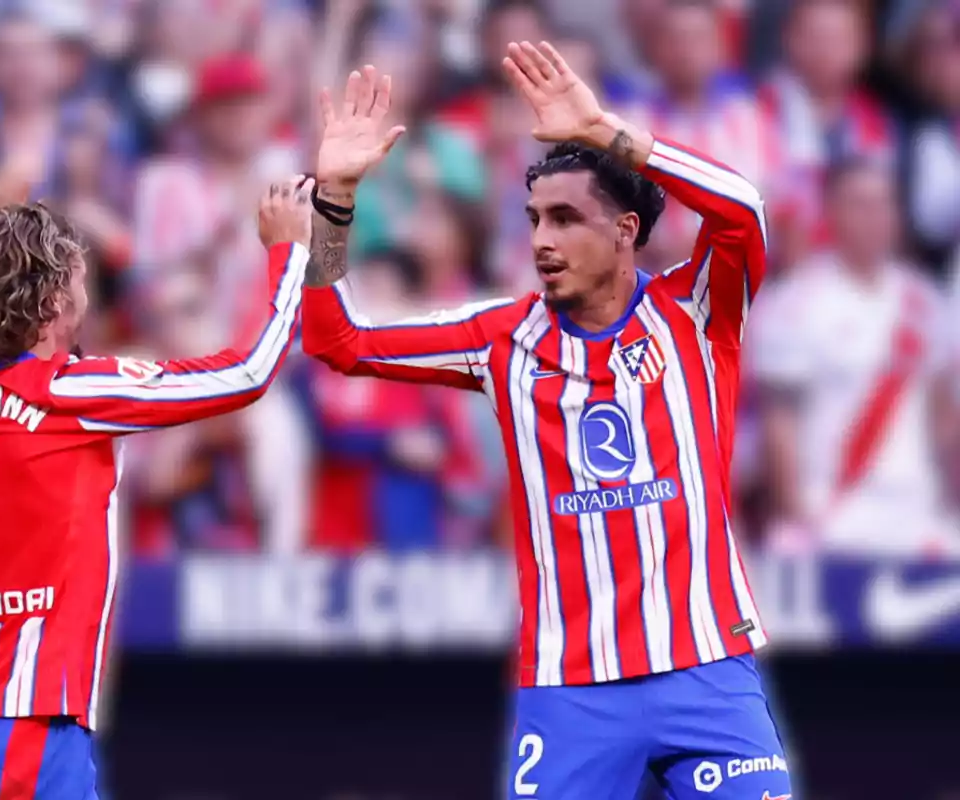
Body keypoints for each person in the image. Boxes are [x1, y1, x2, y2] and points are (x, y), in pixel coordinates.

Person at [301, 44, 792, 799]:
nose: (541, 241)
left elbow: (744, 211)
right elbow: (339, 342)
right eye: (533, 219)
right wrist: (334, 201)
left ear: (627, 229)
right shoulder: (501, 341)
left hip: (707, 672)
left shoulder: (693, 313)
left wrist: (607, 133)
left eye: (565, 219)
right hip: (570, 692)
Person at [0, 177, 313, 799]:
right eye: (81, 279)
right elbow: (248, 371)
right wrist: (289, 253)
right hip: (23, 731)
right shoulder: (70, 395)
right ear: (53, 303)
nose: (90, 294)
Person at [748, 158, 959, 557]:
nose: (874, 218)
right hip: (831, 518)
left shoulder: (925, 301)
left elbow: (944, 419)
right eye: (859, 205)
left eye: (884, 204)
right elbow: (779, 426)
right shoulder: (794, 303)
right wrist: (797, 517)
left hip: (918, 517)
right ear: (831, 214)